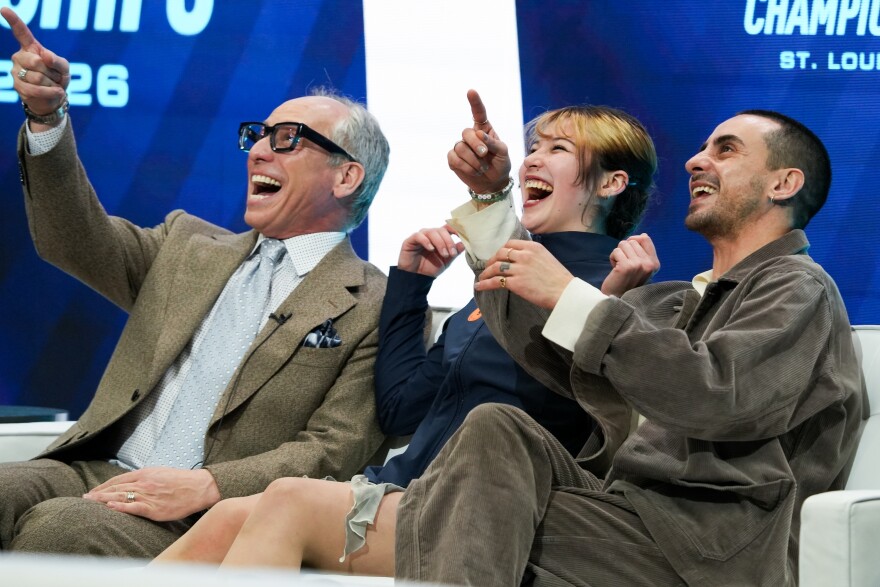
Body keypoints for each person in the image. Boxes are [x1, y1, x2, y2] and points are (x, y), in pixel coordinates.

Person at [150, 90, 660, 573]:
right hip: (399, 490)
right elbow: (401, 406)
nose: (531, 160)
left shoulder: (620, 295)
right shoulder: (494, 292)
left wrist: (599, 302)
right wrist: (411, 286)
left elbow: (590, 408)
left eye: (558, 149)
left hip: (480, 513)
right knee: (227, 518)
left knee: (287, 499)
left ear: (612, 183)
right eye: (532, 148)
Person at [394, 109, 866, 586]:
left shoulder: (799, 287)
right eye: (701, 148)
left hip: (711, 551)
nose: (695, 162)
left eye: (725, 149)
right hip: (625, 515)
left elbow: (719, 394)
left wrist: (571, 297)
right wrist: (493, 197)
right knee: (496, 429)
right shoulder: (674, 301)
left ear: (782, 184)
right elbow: (544, 348)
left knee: (451, 513)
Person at [0, 7, 390, 558]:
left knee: (58, 531)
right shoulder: (187, 247)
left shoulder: (374, 304)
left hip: (209, 514)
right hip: (98, 469)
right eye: (257, 136)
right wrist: (47, 119)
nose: (257, 150)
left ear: (347, 176)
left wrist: (209, 486)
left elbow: (336, 448)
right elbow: (74, 238)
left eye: (286, 140)